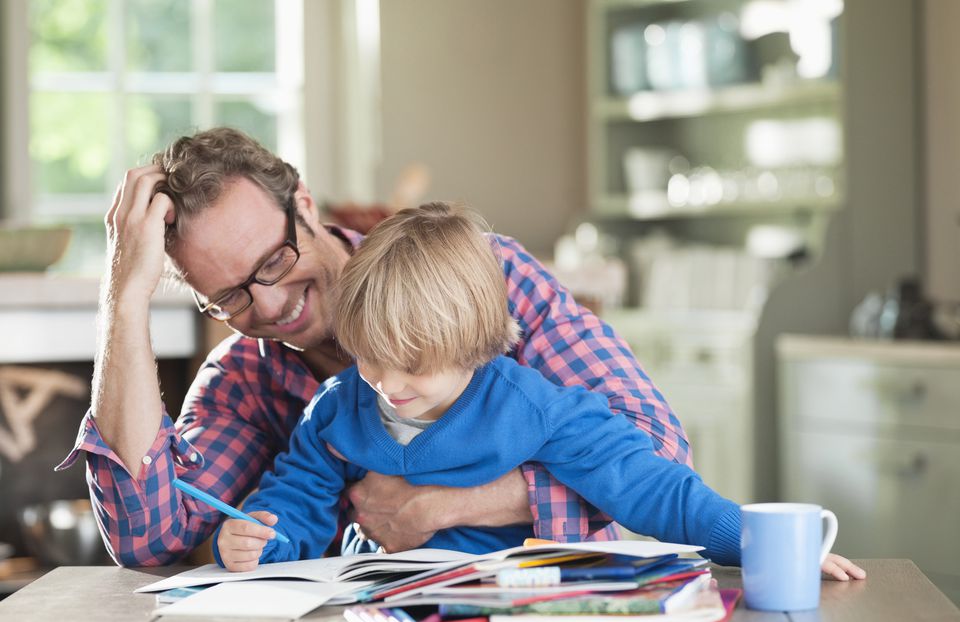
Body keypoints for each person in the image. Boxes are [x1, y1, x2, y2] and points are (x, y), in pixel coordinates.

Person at [58, 127, 860, 581]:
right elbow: (154, 535)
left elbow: (651, 467)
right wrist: (124, 294)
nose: (265, 306)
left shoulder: (479, 290)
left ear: (304, 205)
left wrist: (452, 504)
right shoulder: (315, 402)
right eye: (227, 297)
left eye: (270, 265)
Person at [215, 203, 864, 584]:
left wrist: (759, 541)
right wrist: (260, 539)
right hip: (376, 606)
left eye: (410, 363)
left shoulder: (534, 406)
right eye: (370, 360)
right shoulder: (337, 405)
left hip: (513, 605)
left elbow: (653, 487)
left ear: (472, 340)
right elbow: (295, 495)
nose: (385, 384)